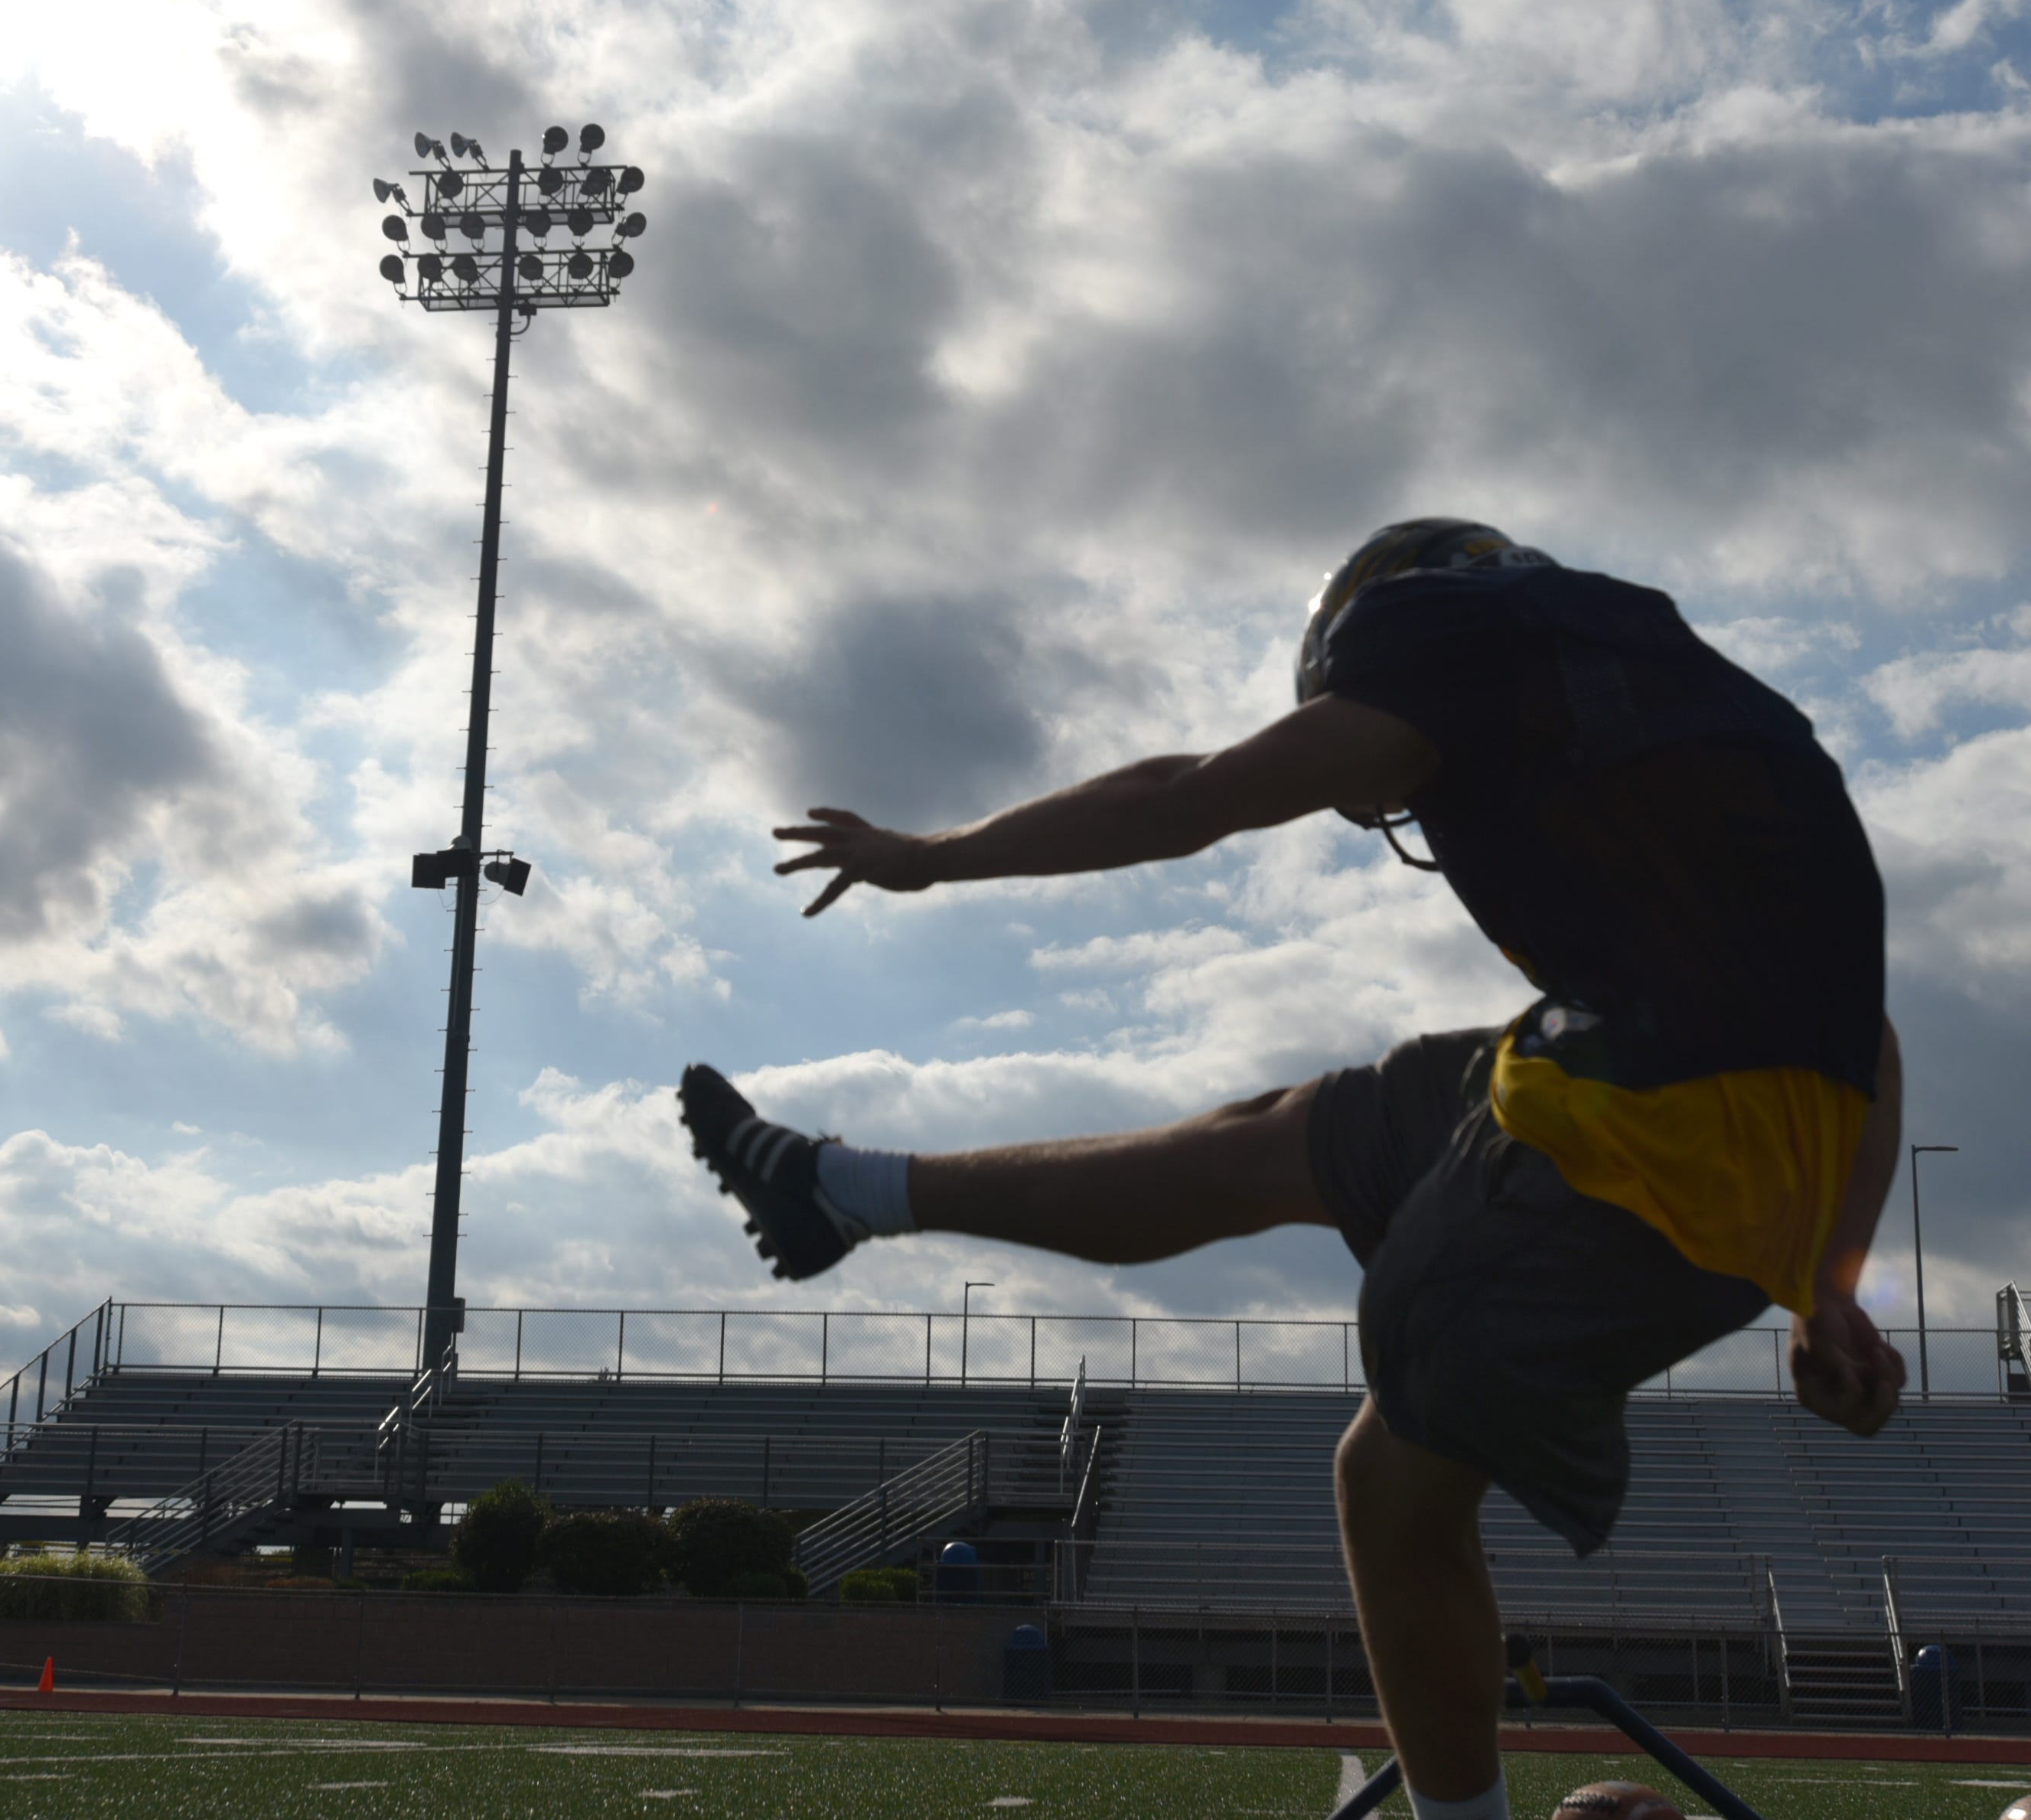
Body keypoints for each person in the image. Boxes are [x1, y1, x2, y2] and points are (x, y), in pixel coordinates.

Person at [680, 518, 1904, 1820]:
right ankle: (840, 1190)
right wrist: (1829, 1279)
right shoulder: (1640, 664)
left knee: (1389, 1490)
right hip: (1654, 1076)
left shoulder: (1431, 637)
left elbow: (1181, 797)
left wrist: (928, 859)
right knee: (1279, 1138)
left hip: (1647, 1132)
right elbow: (1859, 1036)